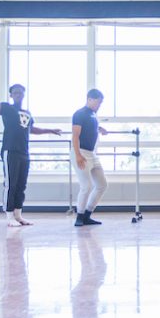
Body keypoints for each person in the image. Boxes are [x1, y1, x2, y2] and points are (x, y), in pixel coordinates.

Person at [0, 84, 61, 227]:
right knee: (10, 184)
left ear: (24, 95)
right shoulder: (7, 108)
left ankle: (18, 215)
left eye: (20, 92)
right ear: (11, 95)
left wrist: (50, 130)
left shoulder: (27, 113)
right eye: (15, 92)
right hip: (10, 151)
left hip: (24, 152)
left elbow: (32, 129)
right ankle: (9, 215)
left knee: (21, 185)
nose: (18, 94)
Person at [71, 89, 108, 226]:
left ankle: (87, 215)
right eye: (98, 102)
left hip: (92, 154)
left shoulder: (93, 114)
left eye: (101, 103)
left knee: (102, 185)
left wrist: (100, 129)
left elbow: (90, 127)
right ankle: (79, 217)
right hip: (81, 152)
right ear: (90, 99)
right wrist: (78, 155)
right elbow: (75, 136)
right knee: (86, 186)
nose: (99, 105)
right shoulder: (79, 114)